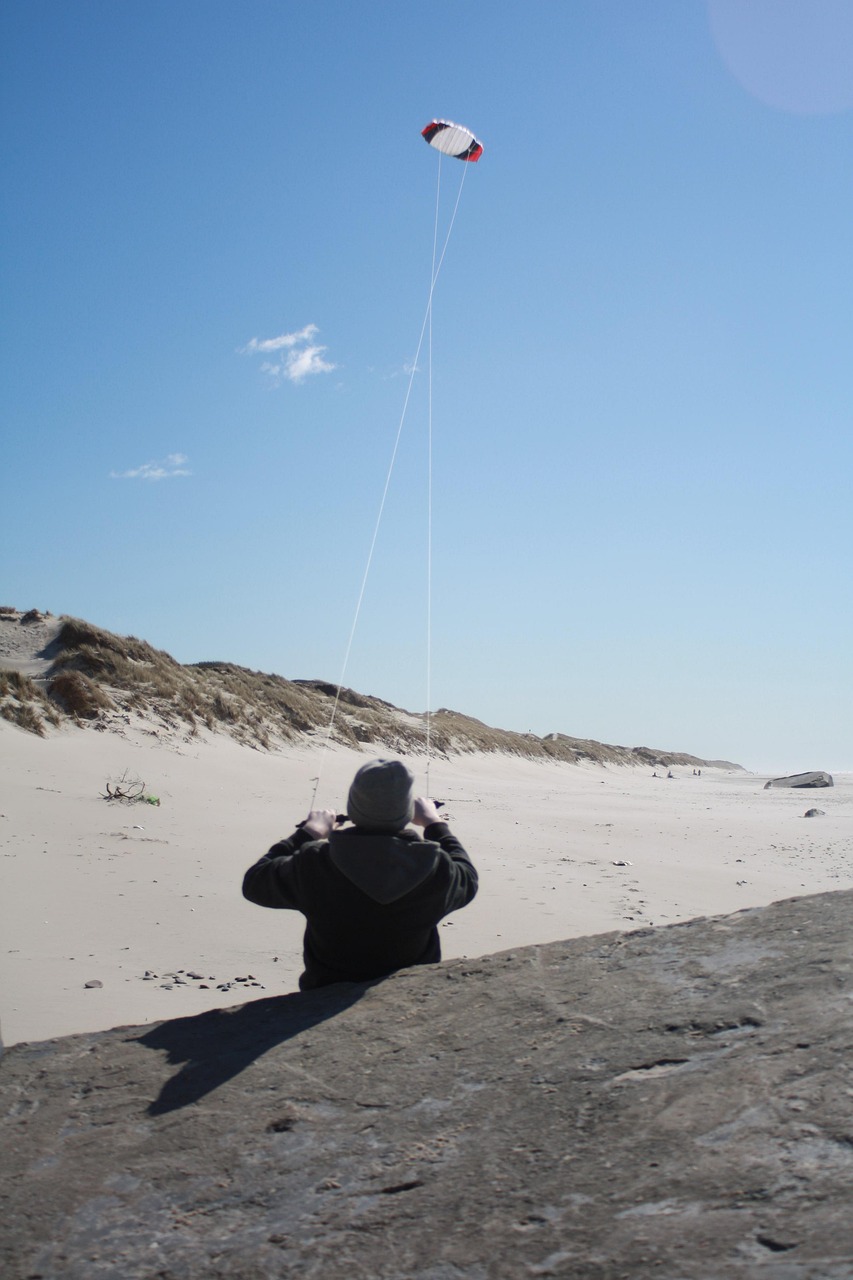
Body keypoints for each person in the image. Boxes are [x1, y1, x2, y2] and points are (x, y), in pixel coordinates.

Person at [242, 757, 478, 990]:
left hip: (325, 991)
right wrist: (434, 824)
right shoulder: (436, 867)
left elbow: (255, 882)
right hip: (409, 991)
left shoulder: (314, 863)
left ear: (353, 809)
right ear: (407, 812)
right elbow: (467, 876)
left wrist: (308, 833)